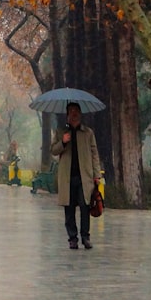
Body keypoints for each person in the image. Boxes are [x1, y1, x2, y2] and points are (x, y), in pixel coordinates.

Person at [50, 102, 102, 250]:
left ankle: (85, 237)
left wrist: (97, 174)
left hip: (84, 177)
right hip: (67, 178)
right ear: (67, 115)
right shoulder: (61, 132)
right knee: (69, 208)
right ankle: (72, 238)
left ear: (80, 113)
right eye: (71, 111)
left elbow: (94, 154)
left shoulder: (88, 133)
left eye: (76, 111)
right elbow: (53, 150)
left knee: (86, 207)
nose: (74, 113)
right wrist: (63, 142)